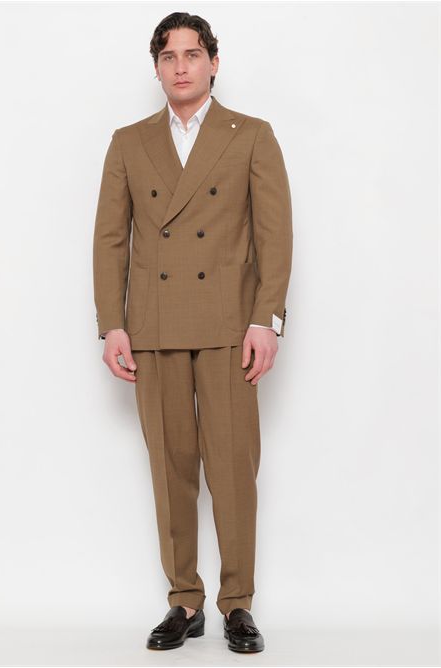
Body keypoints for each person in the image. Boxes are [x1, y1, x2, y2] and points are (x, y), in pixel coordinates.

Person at [92, 11, 293, 654]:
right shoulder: (129, 142)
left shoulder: (252, 135)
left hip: (230, 324)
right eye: (168, 56)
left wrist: (266, 319)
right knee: (170, 466)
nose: (181, 66)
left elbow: (275, 237)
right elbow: (110, 240)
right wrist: (112, 324)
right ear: (157, 68)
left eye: (192, 53)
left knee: (232, 469)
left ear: (213, 62)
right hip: (154, 326)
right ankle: (184, 599)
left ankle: (238, 604)